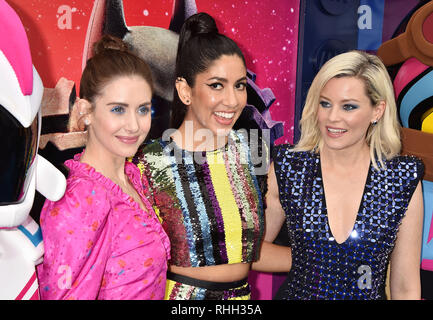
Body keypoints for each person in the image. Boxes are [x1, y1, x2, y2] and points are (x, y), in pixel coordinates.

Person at [132, 12, 290, 300]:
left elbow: (246, 253)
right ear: (184, 90)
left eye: (239, 85)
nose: (232, 100)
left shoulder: (250, 149)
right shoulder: (149, 162)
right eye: (217, 85)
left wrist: (327, 260)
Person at [264, 50, 424, 300]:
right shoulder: (290, 167)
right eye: (325, 103)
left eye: (348, 106)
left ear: (377, 111)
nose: (332, 117)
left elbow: (405, 286)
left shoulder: (400, 177)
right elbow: (248, 252)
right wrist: (312, 260)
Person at [37, 35, 170, 300]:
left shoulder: (131, 177)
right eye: (118, 109)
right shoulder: (81, 200)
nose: (134, 125)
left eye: (143, 109)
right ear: (85, 111)